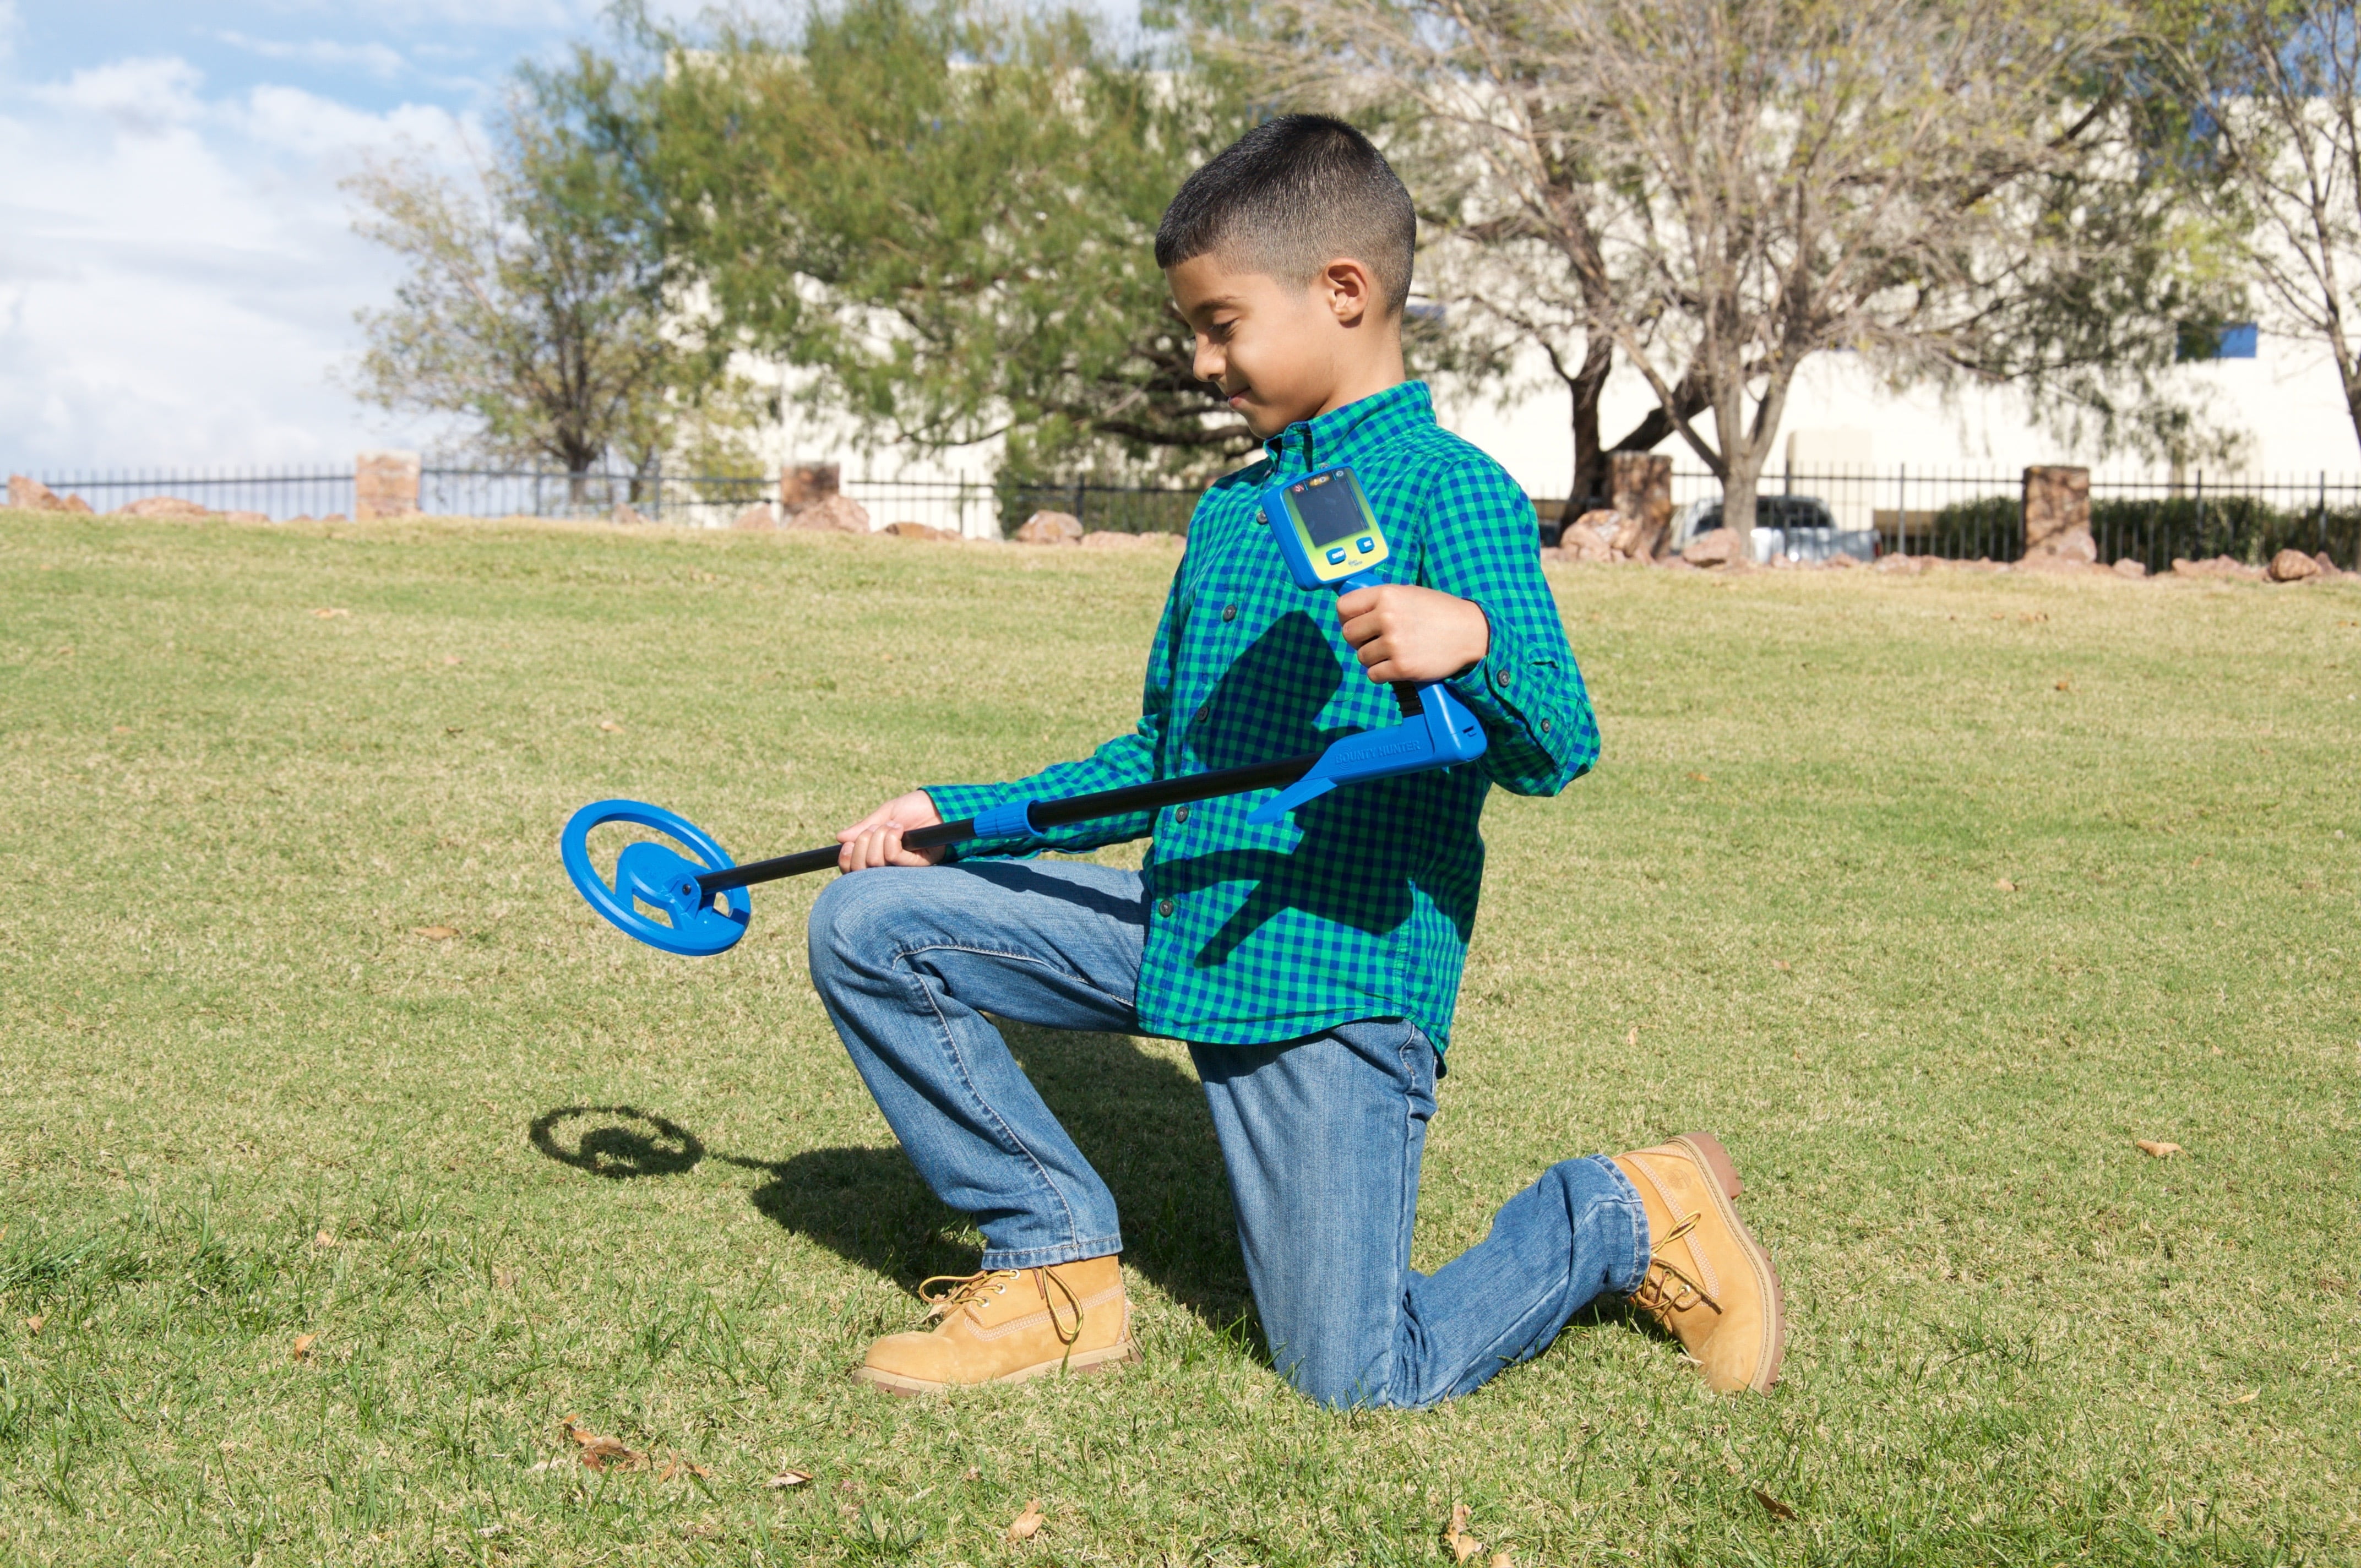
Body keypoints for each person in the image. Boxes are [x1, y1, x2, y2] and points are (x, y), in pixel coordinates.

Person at [807, 115, 1784, 1407]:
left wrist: (1472, 639)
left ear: (1342, 291)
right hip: (1180, 922)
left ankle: (1623, 1210)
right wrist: (964, 815)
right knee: (871, 920)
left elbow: (1558, 737)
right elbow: (1163, 755)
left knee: (1358, 1374)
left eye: (1220, 323)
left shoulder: (1455, 492)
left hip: (1330, 976)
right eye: (1192, 331)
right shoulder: (1230, 511)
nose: (1203, 361)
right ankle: (1052, 1261)